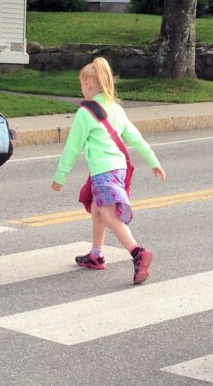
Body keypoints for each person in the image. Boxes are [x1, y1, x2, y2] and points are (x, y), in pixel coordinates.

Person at [51, 57, 166, 285]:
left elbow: (73, 147)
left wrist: (60, 177)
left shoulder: (85, 113)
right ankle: (95, 255)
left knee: (108, 215)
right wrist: (153, 161)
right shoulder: (116, 109)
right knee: (97, 208)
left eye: (81, 84)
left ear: (87, 84)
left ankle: (137, 252)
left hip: (103, 172)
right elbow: (135, 137)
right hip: (119, 169)